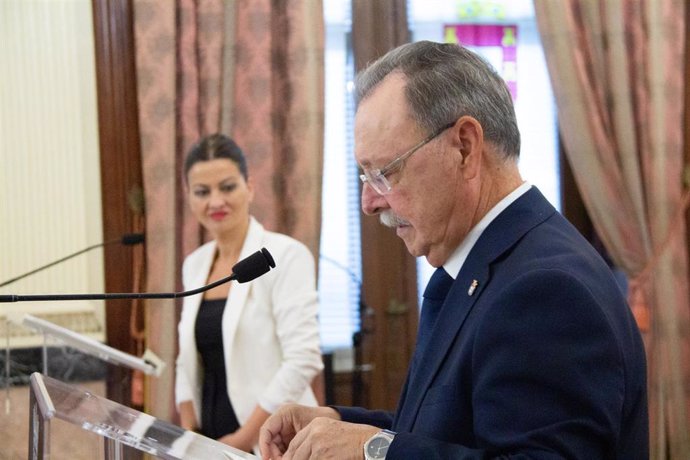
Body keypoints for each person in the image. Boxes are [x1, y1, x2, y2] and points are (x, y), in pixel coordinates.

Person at [258, 41, 648, 459]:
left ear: (464, 147)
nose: (370, 202)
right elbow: (454, 431)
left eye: (385, 173)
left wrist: (374, 450)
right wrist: (339, 424)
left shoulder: (545, 290)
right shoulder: (483, 265)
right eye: (365, 177)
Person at [175, 134, 324, 454]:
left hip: (275, 440)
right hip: (209, 441)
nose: (215, 201)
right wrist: (191, 435)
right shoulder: (194, 264)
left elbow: (303, 358)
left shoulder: (285, 255)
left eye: (227, 187)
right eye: (202, 192)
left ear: (250, 187)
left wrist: (244, 439)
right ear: (188, 197)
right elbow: (185, 359)